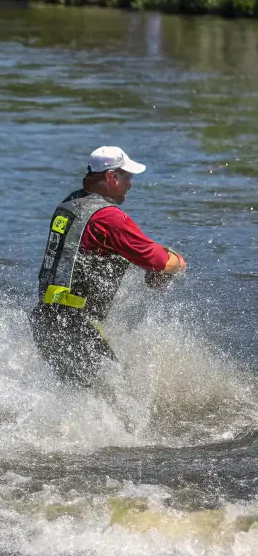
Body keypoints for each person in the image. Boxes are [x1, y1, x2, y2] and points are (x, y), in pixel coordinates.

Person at [30, 147, 186, 386]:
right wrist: (176, 260)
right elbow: (161, 261)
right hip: (75, 328)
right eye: (127, 178)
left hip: (46, 319)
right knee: (113, 394)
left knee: (77, 397)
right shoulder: (109, 218)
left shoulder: (70, 204)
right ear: (112, 177)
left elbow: (95, 253)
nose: (130, 185)